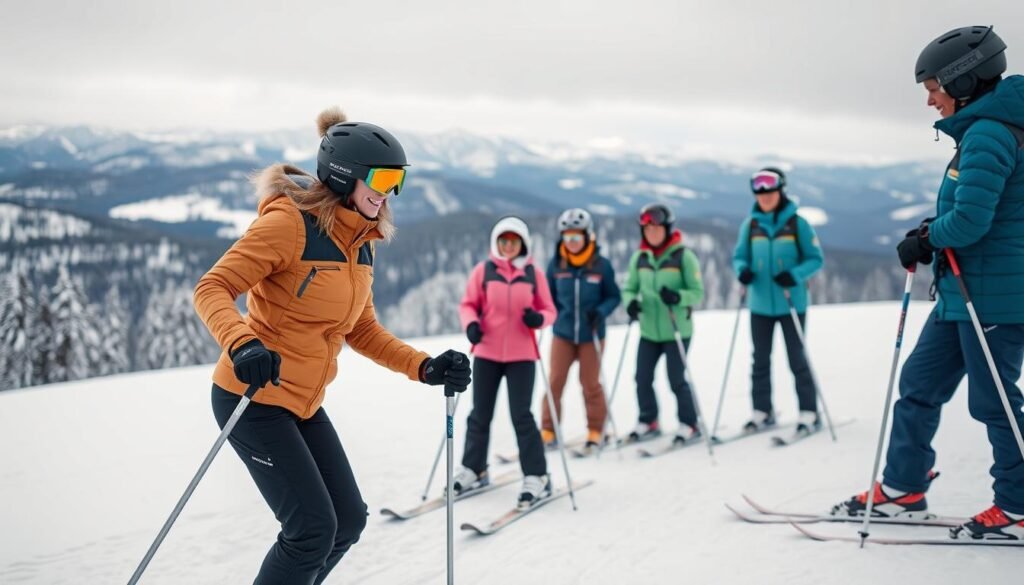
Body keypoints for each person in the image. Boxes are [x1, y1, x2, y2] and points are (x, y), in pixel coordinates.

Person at [193, 107, 471, 584]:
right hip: (253, 396)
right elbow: (212, 288)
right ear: (346, 175)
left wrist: (424, 367)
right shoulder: (288, 226)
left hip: (302, 401)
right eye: (382, 179)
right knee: (311, 531)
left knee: (347, 522)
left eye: (397, 182)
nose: (388, 194)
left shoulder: (358, 240)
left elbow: (360, 328)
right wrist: (242, 344)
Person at [832, 26, 1024, 540]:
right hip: (964, 293)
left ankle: (1018, 503)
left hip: (993, 296)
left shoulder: (990, 132)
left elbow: (970, 223)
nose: (930, 99)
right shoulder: (987, 127)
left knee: (995, 402)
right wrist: (931, 234)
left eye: (934, 86)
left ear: (964, 80)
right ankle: (904, 487)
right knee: (919, 386)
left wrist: (927, 239)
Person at [455, 216, 558, 508]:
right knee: (479, 414)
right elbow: (467, 304)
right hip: (486, 352)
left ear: (522, 243)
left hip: (522, 355)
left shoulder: (534, 275)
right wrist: (471, 323)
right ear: (496, 243)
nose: (508, 246)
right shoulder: (484, 271)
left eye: (513, 241)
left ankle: (537, 476)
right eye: (503, 241)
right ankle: (475, 469)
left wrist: (539, 319)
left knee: (522, 416)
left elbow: (549, 309)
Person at [731, 167, 824, 435]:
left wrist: (794, 275)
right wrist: (742, 271)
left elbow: (816, 258)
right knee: (759, 359)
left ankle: (809, 412)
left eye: (769, 189)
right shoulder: (751, 225)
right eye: (759, 190)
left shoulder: (797, 224)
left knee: (797, 358)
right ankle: (762, 411)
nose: (764, 195)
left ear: (780, 189)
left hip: (791, 304)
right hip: (759, 304)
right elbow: (739, 256)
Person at [622, 203, 705, 444]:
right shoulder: (640, 258)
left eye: (657, 228)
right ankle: (649, 420)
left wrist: (679, 297)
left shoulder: (683, 257)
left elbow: (698, 292)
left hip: (676, 329)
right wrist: (631, 303)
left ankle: (689, 423)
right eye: (647, 229)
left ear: (668, 229)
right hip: (649, 330)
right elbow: (629, 288)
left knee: (676, 378)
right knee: (642, 377)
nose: (652, 233)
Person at [540, 208, 621, 453]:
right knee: (555, 381)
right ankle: (548, 429)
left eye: (576, 237)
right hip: (563, 333)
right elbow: (548, 298)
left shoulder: (601, 265)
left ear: (587, 236)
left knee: (590, 383)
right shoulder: (556, 265)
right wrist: (546, 315)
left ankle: (596, 430)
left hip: (591, 334)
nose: (572, 243)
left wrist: (601, 311)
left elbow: (613, 296)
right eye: (567, 237)